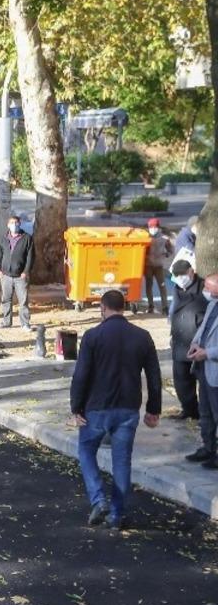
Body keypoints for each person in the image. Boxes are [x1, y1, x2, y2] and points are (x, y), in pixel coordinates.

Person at [70, 290, 162, 529]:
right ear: (124, 307)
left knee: (86, 450)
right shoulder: (143, 336)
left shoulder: (92, 336)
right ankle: (117, 514)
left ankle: (98, 499)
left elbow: (81, 375)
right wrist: (154, 408)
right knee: (122, 462)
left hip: (96, 407)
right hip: (128, 408)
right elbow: (154, 376)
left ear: (103, 307)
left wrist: (76, 407)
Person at [186, 273, 218, 467]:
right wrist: (195, 343)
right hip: (202, 368)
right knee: (205, 411)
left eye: (208, 287)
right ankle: (208, 447)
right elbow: (204, 327)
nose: (204, 290)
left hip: (214, 368)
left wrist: (207, 353)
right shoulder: (213, 304)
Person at [169, 259, 206, 422]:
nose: (179, 277)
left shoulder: (204, 288)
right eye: (176, 275)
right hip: (180, 343)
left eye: (182, 274)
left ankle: (205, 415)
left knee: (204, 384)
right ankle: (189, 410)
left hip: (199, 345)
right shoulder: (177, 289)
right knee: (182, 383)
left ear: (191, 272)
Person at [0, 214, 34, 330]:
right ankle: (6, 322)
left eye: (16, 223)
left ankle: (25, 323)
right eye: (12, 223)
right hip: (6, 275)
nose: (14, 225)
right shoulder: (3, 238)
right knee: (6, 299)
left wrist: (26, 272)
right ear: (8, 225)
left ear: (20, 224)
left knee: (23, 301)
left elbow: (30, 257)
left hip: (20, 276)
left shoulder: (27, 238)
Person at [143, 218, 174, 314]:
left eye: (154, 227)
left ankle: (165, 306)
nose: (153, 229)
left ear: (158, 227)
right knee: (149, 285)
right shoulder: (144, 237)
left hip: (159, 266)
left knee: (162, 285)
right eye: (151, 227)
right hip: (147, 265)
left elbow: (171, 250)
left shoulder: (164, 239)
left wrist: (166, 254)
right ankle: (150, 305)